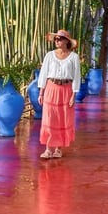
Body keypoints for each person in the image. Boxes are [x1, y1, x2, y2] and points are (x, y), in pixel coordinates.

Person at [37, 29, 81, 159]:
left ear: (67, 41)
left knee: (63, 118)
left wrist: (74, 95)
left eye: (60, 39)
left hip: (66, 89)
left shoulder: (74, 57)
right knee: (49, 118)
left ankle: (58, 148)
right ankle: (47, 149)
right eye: (56, 39)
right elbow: (44, 74)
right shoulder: (49, 55)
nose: (57, 41)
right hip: (51, 88)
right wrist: (41, 92)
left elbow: (76, 76)